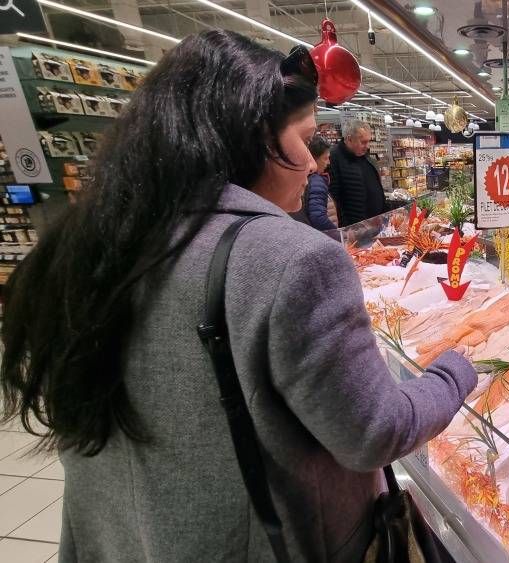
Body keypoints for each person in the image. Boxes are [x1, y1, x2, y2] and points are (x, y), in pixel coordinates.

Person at [0, 30, 476, 562]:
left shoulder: (86, 243)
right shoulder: (293, 259)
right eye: (305, 136)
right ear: (253, 138)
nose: (316, 163)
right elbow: (375, 431)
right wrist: (455, 372)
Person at [330, 119, 386, 226]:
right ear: (349, 139)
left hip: (376, 224)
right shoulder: (334, 158)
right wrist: (348, 228)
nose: (368, 146)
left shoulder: (365, 156)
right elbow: (334, 198)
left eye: (368, 141)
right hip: (356, 230)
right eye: (363, 142)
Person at [301, 135, 339, 235]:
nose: (328, 162)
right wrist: (339, 235)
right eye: (325, 158)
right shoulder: (316, 181)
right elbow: (318, 217)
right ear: (314, 159)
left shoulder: (311, 179)